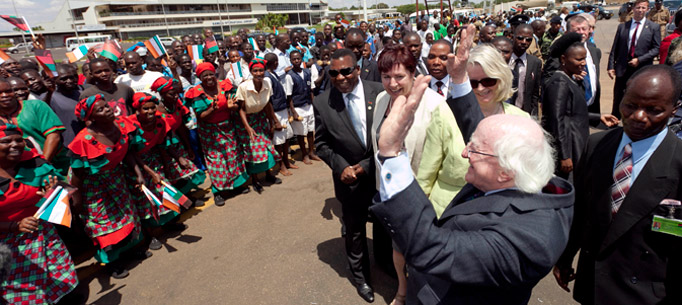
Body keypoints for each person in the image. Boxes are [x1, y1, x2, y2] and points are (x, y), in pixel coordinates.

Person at [370, 26, 574, 305]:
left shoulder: (527, 241)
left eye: (475, 149)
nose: (465, 152)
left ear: (505, 171)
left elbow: (431, 250)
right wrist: (459, 78)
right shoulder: (518, 174)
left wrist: (392, 154)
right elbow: (481, 132)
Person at [554, 64, 682, 305]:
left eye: (654, 110)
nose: (638, 117)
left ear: (674, 110)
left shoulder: (678, 162)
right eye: (631, 105)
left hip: (648, 293)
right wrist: (565, 257)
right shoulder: (597, 144)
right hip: (595, 283)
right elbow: (580, 209)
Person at [371, 43, 447, 305]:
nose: (392, 83)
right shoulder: (382, 100)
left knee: (420, 252)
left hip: (420, 195)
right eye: (386, 76)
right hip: (389, 191)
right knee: (397, 248)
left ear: (414, 74)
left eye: (399, 76)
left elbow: (444, 156)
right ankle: (402, 291)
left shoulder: (435, 105)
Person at [314, 49, 383, 303]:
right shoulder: (322, 102)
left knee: (385, 226)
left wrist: (366, 164)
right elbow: (321, 145)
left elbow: (392, 134)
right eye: (333, 73)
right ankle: (361, 277)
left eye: (345, 71)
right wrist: (340, 165)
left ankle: (385, 263)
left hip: (379, 176)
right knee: (354, 231)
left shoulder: (381, 92)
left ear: (357, 69)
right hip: (348, 182)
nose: (340, 77)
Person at [68, 94, 146, 278]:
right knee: (103, 224)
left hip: (114, 177)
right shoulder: (84, 140)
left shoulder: (122, 125)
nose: (108, 110)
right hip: (90, 185)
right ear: (91, 118)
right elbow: (77, 175)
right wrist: (77, 201)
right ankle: (112, 262)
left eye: (107, 106)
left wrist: (138, 174)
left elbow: (126, 152)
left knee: (125, 213)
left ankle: (129, 249)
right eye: (101, 109)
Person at [0, 124, 78, 305]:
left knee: (58, 276)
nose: (15, 145)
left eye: (19, 140)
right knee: (24, 291)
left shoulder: (35, 162)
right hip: (8, 245)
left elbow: (65, 193)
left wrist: (51, 196)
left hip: (44, 233)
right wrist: (14, 226)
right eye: (6, 141)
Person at [184, 63, 248, 206]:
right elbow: (201, 116)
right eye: (204, 75)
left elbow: (236, 103)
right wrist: (212, 109)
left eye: (210, 74)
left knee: (233, 156)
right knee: (216, 160)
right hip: (210, 132)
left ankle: (235, 186)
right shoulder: (197, 92)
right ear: (200, 77)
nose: (208, 78)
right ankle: (218, 191)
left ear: (215, 74)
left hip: (228, 127)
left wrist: (233, 107)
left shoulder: (225, 85)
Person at [542, 33, 592, 179]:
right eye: (578, 59)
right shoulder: (560, 83)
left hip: (575, 143)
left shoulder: (568, 79)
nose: (583, 63)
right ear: (563, 59)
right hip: (570, 146)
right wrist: (564, 155)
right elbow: (556, 120)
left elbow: (572, 114)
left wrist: (600, 118)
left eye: (584, 59)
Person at [150, 77, 205, 196]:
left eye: (176, 94)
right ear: (162, 94)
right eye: (171, 94)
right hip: (164, 149)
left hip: (177, 143)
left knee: (187, 171)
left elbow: (180, 127)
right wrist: (178, 157)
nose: (176, 97)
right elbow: (162, 139)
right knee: (174, 175)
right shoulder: (157, 113)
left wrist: (188, 147)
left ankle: (188, 196)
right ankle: (184, 200)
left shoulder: (176, 104)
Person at [0, 78, 67, 174]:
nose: (4, 95)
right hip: (18, 172)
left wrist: (43, 164)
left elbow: (54, 136)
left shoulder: (36, 106)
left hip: (55, 166)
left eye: (8, 91)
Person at [608, 0, 661, 119]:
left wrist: (640, 59)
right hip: (622, 68)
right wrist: (611, 66)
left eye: (643, 8)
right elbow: (614, 48)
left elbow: (656, 49)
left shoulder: (653, 27)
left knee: (639, 95)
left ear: (647, 9)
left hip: (641, 69)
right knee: (618, 96)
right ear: (633, 9)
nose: (640, 10)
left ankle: (635, 119)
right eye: (638, 7)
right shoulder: (623, 27)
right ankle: (614, 119)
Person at [235, 59, 282, 194]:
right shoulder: (244, 87)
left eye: (261, 70)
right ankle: (255, 180)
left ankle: (268, 174)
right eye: (255, 71)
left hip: (260, 118)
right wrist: (248, 128)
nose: (258, 73)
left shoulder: (267, 82)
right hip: (247, 120)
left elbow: (267, 104)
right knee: (252, 152)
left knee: (267, 147)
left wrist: (274, 121)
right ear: (251, 72)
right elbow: (241, 110)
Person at [285, 51, 321, 165]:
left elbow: (311, 90)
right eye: (294, 59)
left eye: (298, 59)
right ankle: (304, 154)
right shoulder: (289, 76)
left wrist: (314, 104)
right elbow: (289, 96)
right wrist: (293, 112)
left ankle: (311, 152)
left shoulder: (306, 72)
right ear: (290, 60)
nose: (296, 61)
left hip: (309, 105)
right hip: (298, 107)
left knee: (311, 130)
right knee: (301, 133)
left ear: (302, 59)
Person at [264, 53, 297, 176]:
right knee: (278, 142)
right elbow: (268, 101)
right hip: (276, 113)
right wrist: (275, 121)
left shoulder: (274, 74)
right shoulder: (267, 78)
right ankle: (281, 165)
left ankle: (286, 162)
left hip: (282, 110)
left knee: (286, 138)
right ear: (274, 62)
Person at [509, 24, 542, 117]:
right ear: (513, 37)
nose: (524, 42)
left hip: (524, 114)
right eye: (520, 38)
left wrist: (534, 115)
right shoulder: (504, 60)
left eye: (528, 40)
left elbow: (535, 93)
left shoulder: (535, 63)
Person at [50, 64, 84, 147]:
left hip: (86, 140)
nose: (69, 81)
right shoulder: (51, 98)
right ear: (55, 80)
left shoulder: (82, 93)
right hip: (68, 145)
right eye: (63, 79)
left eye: (71, 77)